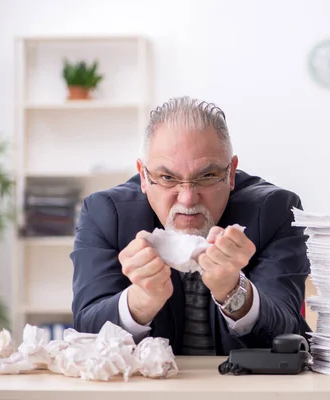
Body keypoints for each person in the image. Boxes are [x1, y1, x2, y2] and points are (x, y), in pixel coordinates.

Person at [70, 96, 312, 356]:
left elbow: (287, 332)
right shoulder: (106, 213)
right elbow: (87, 330)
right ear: (143, 175)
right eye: (167, 178)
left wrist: (233, 291)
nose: (187, 199)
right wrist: (141, 300)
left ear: (231, 174)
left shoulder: (276, 211)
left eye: (207, 176)